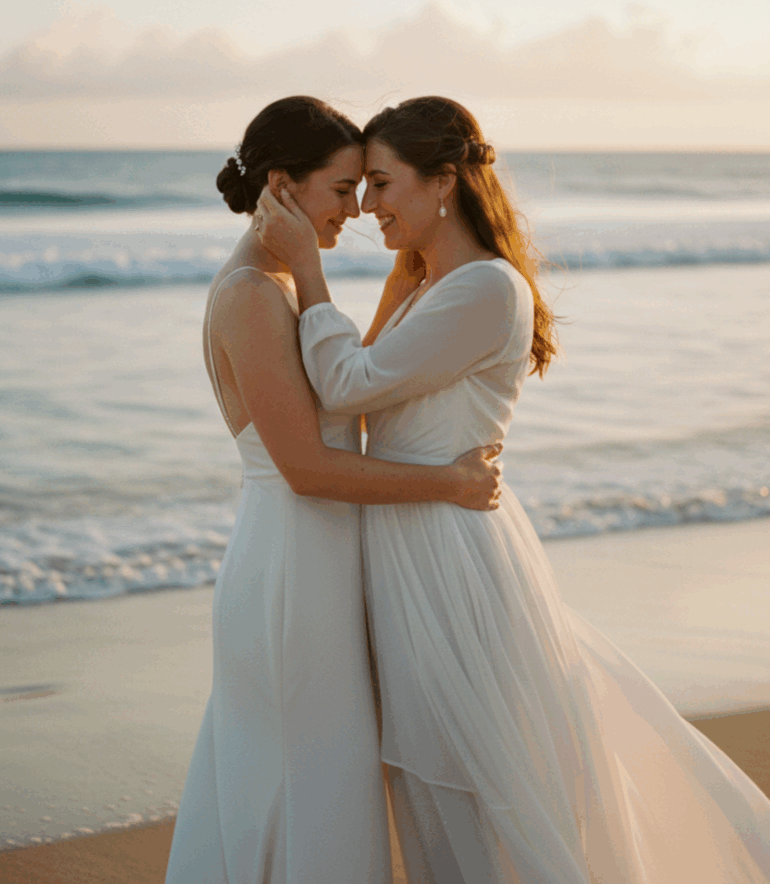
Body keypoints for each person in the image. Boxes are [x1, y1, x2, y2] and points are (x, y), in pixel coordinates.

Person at [256, 95, 770, 883]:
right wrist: (396, 285)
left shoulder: (485, 290)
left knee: (473, 779)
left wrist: (310, 269)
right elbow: (359, 391)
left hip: (448, 553)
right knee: (438, 780)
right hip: (416, 539)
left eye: (385, 185)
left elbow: (345, 387)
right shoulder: (438, 286)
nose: (368, 207)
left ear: (444, 183)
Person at [164, 96, 503, 884]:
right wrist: (448, 483)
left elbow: (355, 389)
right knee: (304, 784)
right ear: (281, 186)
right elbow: (307, 468)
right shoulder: (254, 292)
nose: (355, 210)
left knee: (316, 786)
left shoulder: (281, 281)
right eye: (341, 189)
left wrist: (402, 278)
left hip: (316, 562)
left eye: (364, 189)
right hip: (291, 571)